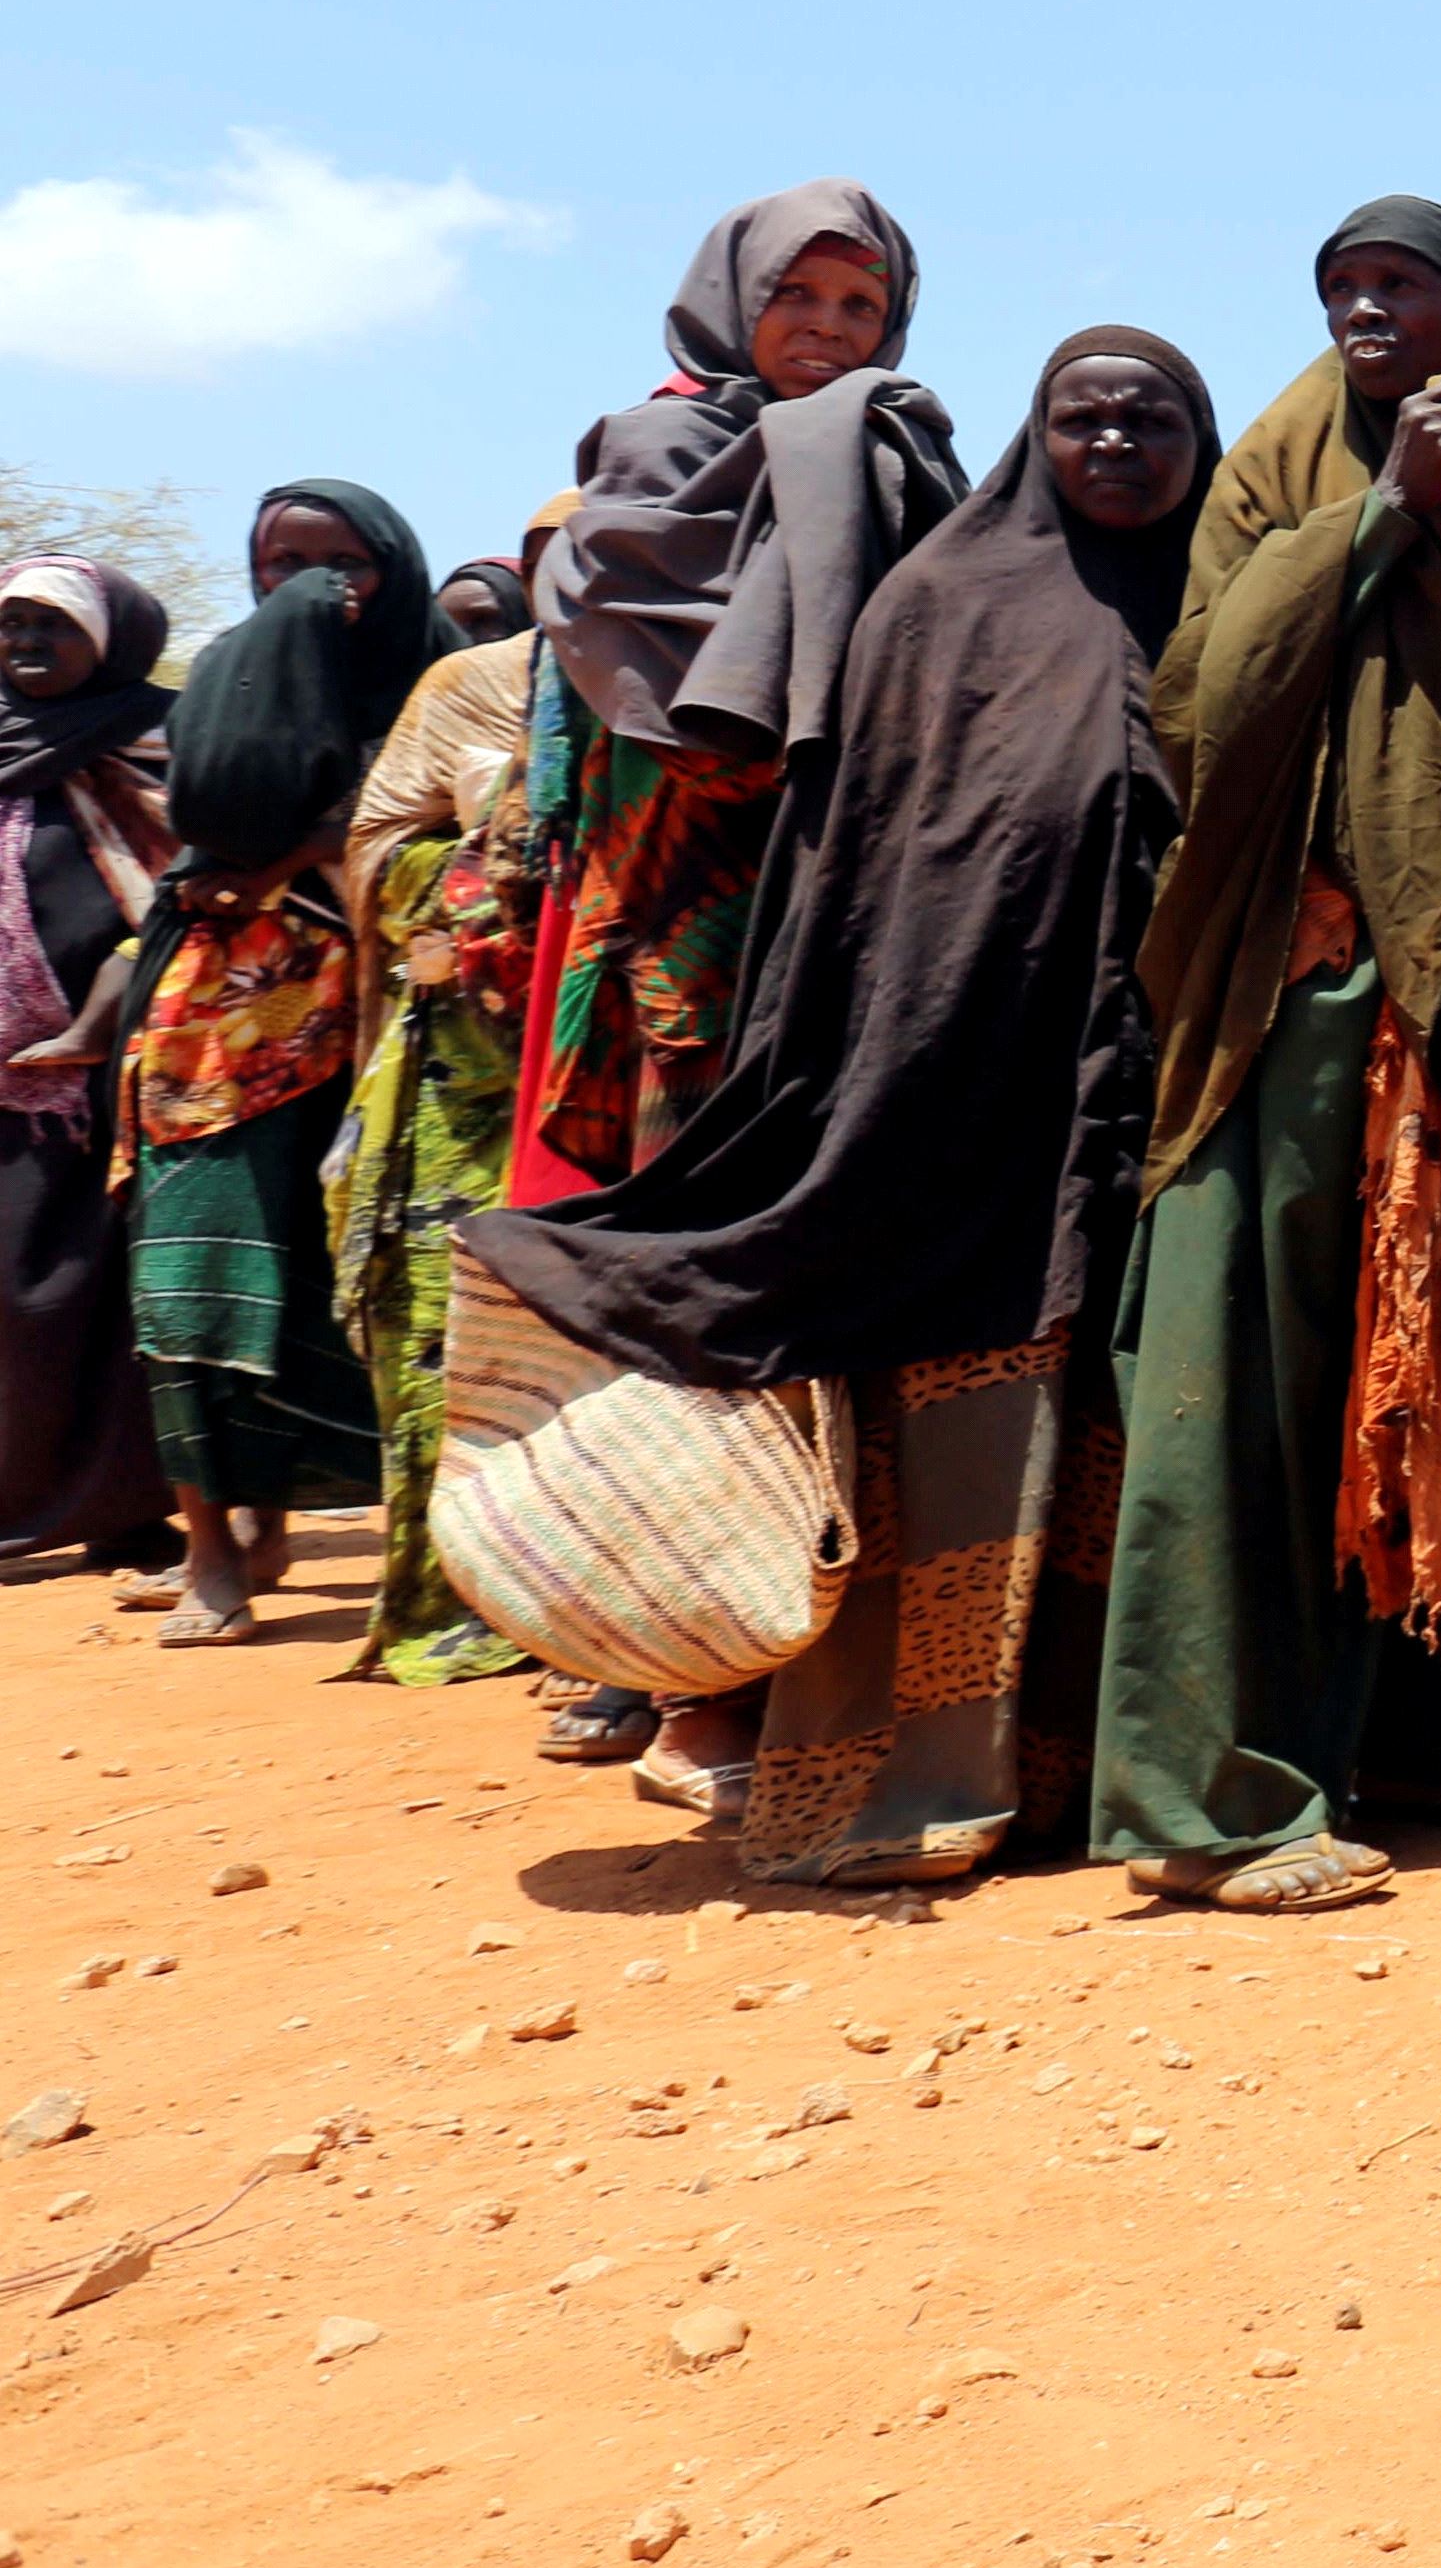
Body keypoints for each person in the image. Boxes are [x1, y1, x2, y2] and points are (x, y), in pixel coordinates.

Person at [469, 337, 1220, 1883]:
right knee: (964, 1437)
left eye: (1156, 420)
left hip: (1168, 1092)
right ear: (1041, 436)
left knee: (1137, 1437)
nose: (1122, 444)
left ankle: (1098, 1778)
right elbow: (869, 874)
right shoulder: (941, 606)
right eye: (1089, 418)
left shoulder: (1230, 600)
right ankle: (915, 1783)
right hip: (962, 1096)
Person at [1099, 203, 1441, 1913]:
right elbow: (1200, 701)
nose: (1367, 311)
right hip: (1301, 992)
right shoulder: (1281, 469)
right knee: (1264, 1378)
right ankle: (1213, 1795)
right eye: (1342, 290)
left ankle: (1407, 1737)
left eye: (1404, 285)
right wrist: (1378, 519)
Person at [515, 179, 961, 1206]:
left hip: (845, 855)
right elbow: (641, 662)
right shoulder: (658, 450)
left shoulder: (896, 449)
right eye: (796, 294)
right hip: (685, 860)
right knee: (683, 1147)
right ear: (734, 297)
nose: (827, 327)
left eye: (861, 307)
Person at [123, 487, 452, 1641]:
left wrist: (300, 857)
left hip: (391, 1023)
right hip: (213, 1027)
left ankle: (399, 1545)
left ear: (392, 567)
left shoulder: (440, 680)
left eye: (344, 561)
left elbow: (457, 820)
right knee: (190, 1265)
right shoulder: (233, 673)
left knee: (357, 1281)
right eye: (285, 561)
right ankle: (218, 1545)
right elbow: (204, 813)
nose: (317, 585)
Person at [331, 509, 562, 1689]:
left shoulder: (701, 671)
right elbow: (376, 854)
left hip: (626, 1064)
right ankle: (453, 1594)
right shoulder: (469, 686)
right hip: (461, 1083)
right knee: (446, 1329)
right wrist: (494, 859)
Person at [0, 559, 174, 1570]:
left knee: (103, 1295)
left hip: (126, 1071)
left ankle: (120, 1512)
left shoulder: (162, 742)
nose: (23, 643)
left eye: (50, 626)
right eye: (9, 624)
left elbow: (194, 880)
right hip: (8, 1088)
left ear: (112, 640)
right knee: (15, 1302)